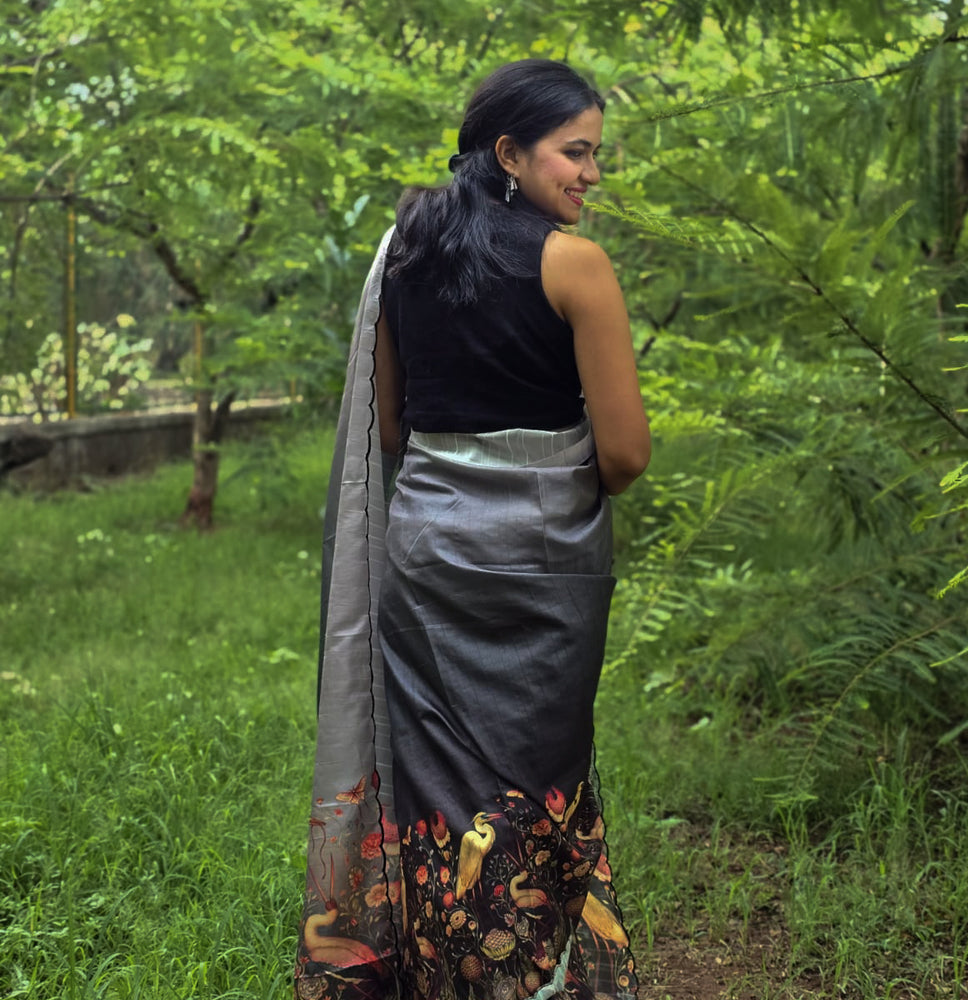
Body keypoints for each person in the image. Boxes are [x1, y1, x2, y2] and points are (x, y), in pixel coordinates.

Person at [294, 59, 650, 1000]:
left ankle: (443, 972)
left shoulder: (405, 256)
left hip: (427, 555)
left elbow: (389, 428)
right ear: (509, 152)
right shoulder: (575, 264)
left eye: (594, 155)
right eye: (576, 152)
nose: (591, 174)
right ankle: (531, 977)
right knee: (538, 778)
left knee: (440, 784)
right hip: (545, 567)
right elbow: (624, 456)